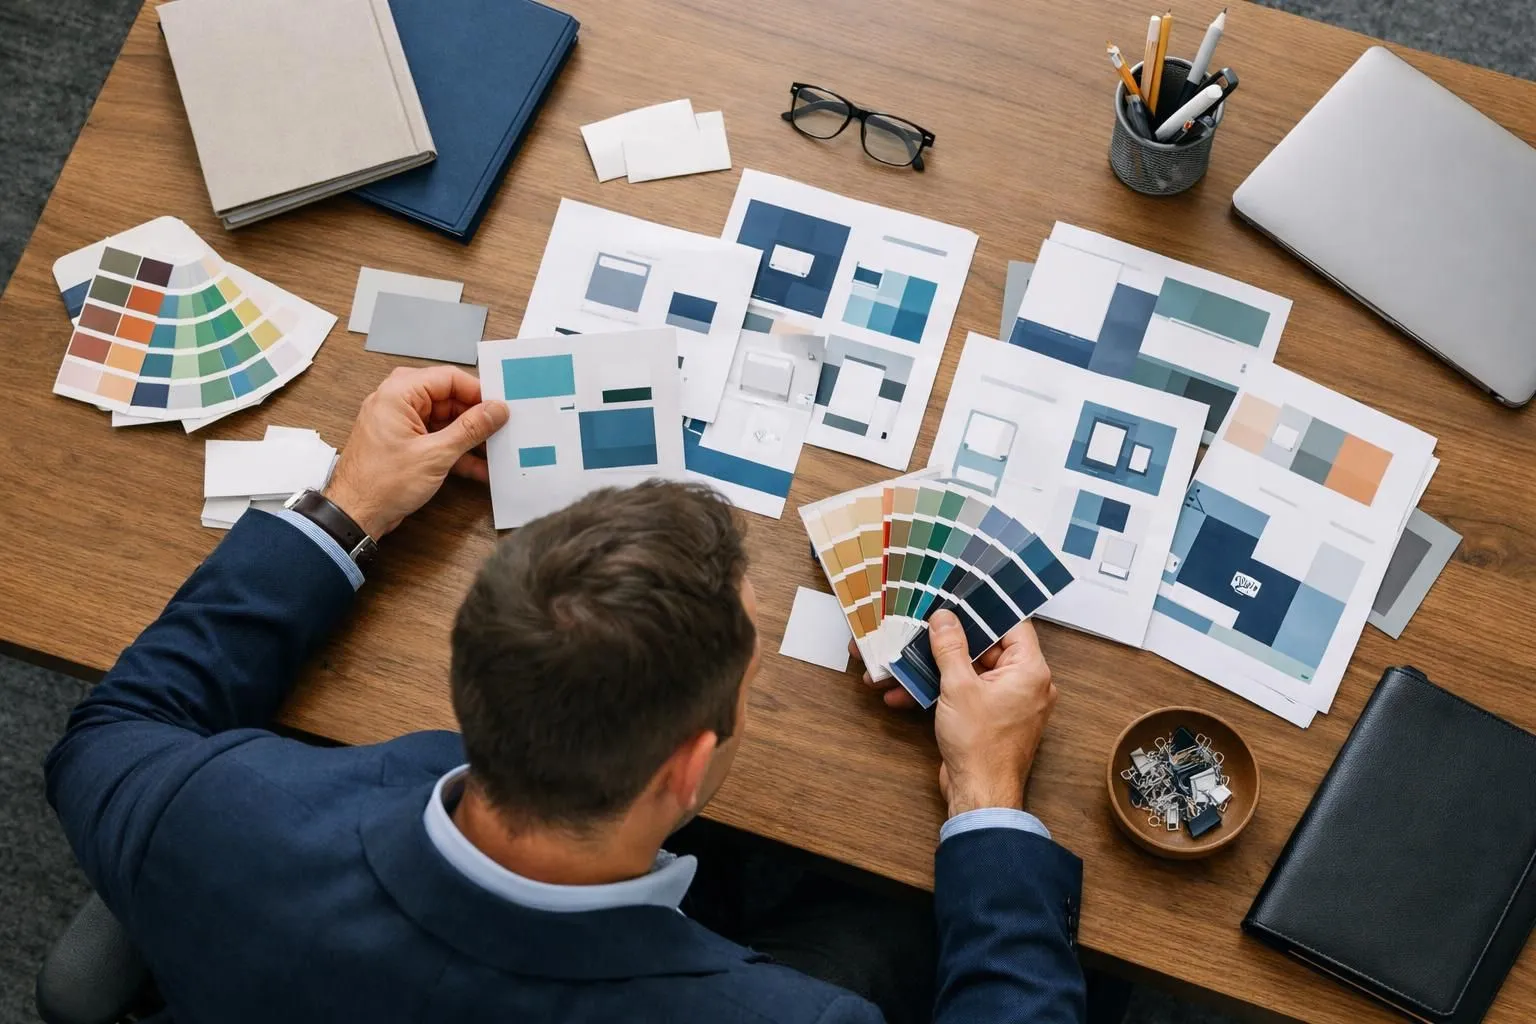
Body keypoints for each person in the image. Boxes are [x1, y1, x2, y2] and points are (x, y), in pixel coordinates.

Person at [46, 365, 1085, 1023]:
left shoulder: (205, 820)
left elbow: (115, 725)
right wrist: (989, 797)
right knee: (882, 928)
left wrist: (349, 503)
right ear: (687, 764)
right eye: (751, 679)